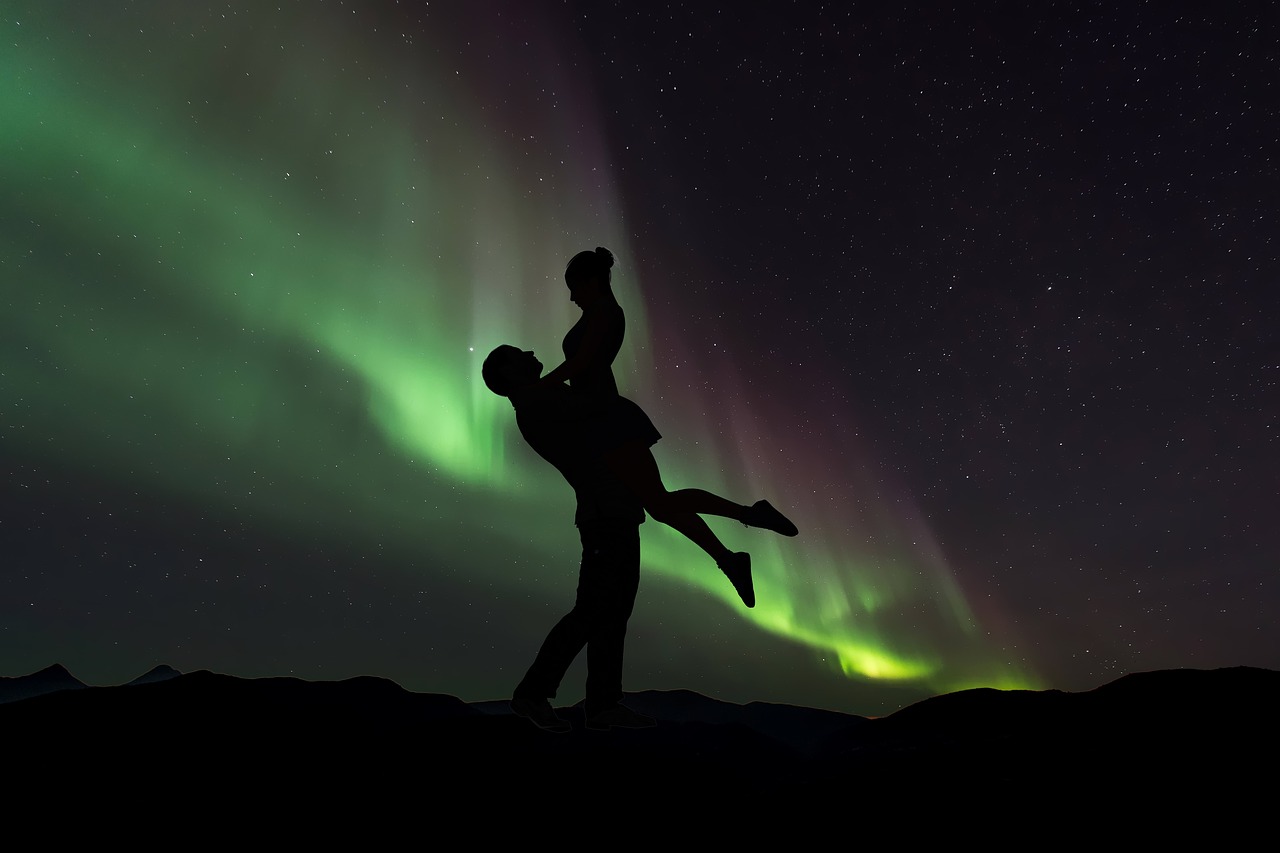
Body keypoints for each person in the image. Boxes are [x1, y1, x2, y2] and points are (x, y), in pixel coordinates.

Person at [535, 247, 797, 605]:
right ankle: (734, 549)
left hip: (606, 417)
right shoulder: (602, 312)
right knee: (659, 504)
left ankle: (743, 529)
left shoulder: (604, 312)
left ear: (591, 281)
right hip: (598, 417)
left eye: (574, 286)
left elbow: (582, 364)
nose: (571, 296)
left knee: (659, 502)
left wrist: (542, 386)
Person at [483, 346, 654, 732]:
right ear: (508, 372)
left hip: (613, 511)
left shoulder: (539, 398)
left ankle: (602, 704)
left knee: (611, 610)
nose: (528, 351)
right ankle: (536, 693)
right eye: (517, 353)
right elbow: (595, 407)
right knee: (596, 608)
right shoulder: (536, 401)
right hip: (605, 513)